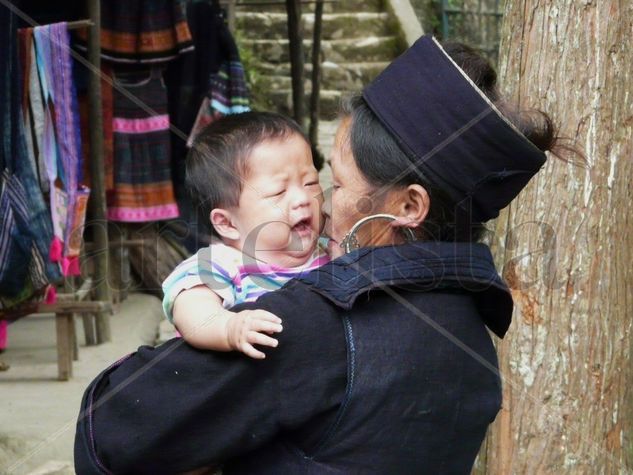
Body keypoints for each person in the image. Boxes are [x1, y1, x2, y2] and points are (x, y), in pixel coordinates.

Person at [74, 36, 563, 474]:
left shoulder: (314, 324)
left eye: (333, 183)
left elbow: (108, 434)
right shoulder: (470, 326)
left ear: (409, 206)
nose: (318, 201)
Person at [161, 112, 328, 358]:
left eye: (311, 183)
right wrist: (229, 328)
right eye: (278, 192)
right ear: (227, 223)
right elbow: (191, 311)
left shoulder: (329, 251)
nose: (302, 199)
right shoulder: (222, 264)